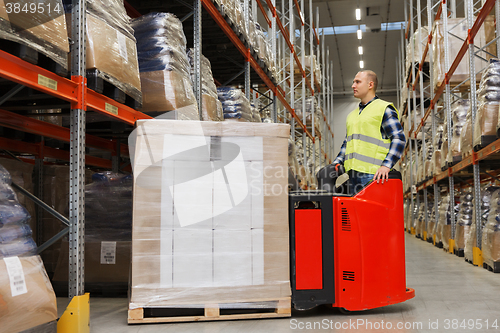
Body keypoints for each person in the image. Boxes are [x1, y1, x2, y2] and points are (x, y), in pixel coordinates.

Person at [332, 70, 406, 194]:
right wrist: (336, 163)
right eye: (353, 82)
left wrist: (386, 165)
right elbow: (347, 142)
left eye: (357, 82)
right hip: (353, 175)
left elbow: (399, 138)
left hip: (374, 176)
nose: (353, 86)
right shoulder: (352, 115)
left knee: (371, 212)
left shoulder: (383, 109)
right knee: (354, 213)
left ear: (370, 85)